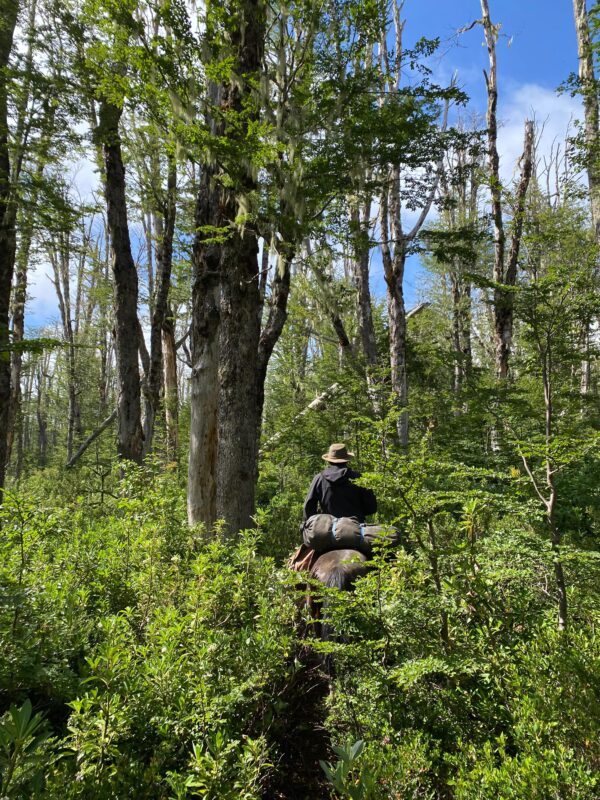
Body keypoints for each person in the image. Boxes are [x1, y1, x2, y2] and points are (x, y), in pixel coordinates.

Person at [303, 442, 377, 522]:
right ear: (347, 460)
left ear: (329, 460)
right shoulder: (359, 478)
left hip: (328, 527)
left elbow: (308, 507)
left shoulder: (319, 478)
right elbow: (371, 508)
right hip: (355, 528)